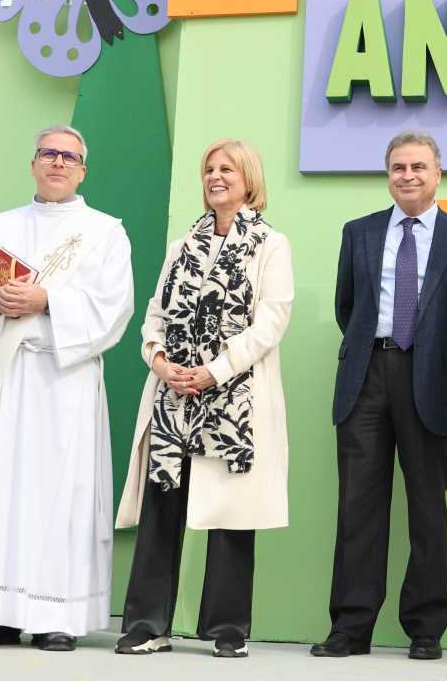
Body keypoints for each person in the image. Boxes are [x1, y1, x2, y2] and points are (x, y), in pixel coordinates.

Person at [0, 125, 134, 651]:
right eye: (49, 154)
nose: (58, 163)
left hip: (61, 381)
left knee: (57, 493)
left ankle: (53, 616)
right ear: (34, 163)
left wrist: (47, 300)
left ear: (83, 169)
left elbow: (115, 307)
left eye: (70, 157)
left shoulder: (105, 231)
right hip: (1, 376)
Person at [115, 139, 293, 658]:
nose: (216, 177)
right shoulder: (181, 244)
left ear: (248, 179)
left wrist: (214, 371)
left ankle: (227, 630)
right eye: (209, 169)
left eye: (227, 169)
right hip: (173, 399)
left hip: (234, 400)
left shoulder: (270, 245)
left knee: (231, 515)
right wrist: (161, 361)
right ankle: (148, 624)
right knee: (161, 511)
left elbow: (272, 321)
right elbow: (154, 314)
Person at [311, 130, 447, 661]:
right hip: (366, 375)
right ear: (389, 174)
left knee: (428, 506)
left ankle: (426, 628)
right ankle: (350, 626)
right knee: (358, 506)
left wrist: (443, 360)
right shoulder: (358, 232)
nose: (408, 175)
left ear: (438, 174)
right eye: (399, 167)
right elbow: (348, 307)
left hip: (430, 379)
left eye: (419, 167)